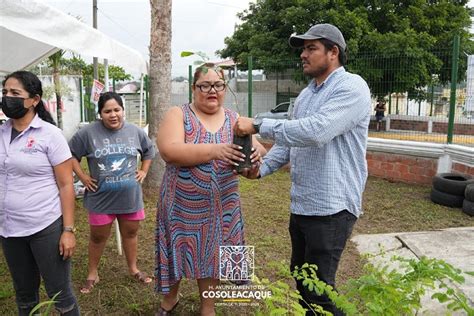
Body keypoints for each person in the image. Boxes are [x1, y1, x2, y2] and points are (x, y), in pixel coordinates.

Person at [234, 23, 371, 315]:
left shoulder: (352, 87)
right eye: (303, 49)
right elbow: (289, 144)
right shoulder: (307, 95)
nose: (303, 55)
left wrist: (258, 125)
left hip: (332, 207)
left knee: (319, 288)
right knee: (303, 278)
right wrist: (261, 169)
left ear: (333, 52)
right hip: (303, 205)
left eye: (311, 48)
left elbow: (316, 132)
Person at [155, 63, 266, 316]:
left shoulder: (235, 120)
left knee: (213, 256)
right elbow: (169, 151)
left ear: (225, 88)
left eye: (218, 85)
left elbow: (259, 150)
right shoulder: (179, 113)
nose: (211, 90)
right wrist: (217, 150)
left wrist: (254, 159)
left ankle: (208, 307)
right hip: (181, 204)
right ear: (194, 88)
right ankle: (170, 298)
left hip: (222, 206)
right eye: (205, 85)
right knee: (177, 252)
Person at [0, 71, 79, 315]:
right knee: (24, 295)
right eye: (4, 92)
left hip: (45, 226)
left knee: (60, 294)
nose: (7, 98)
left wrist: (68, 230)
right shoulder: (1, 132)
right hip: (9, 228)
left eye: (15, 93)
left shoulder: (50, 135)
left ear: (34, 100)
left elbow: (66, 185)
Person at [68, 91, 155, 294]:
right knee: (97, 238)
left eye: (117, 110)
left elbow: (149, 150)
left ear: (123, 111)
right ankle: (92, 273)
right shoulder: (88, 133)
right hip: (100, 199)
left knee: (131, 234)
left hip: (130, 198)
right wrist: (82, 176)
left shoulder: (134, 131)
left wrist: (143, 170)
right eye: (107, 111)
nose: (113, 114)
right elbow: (70, 154)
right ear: (100, 113)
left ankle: (133, 269)